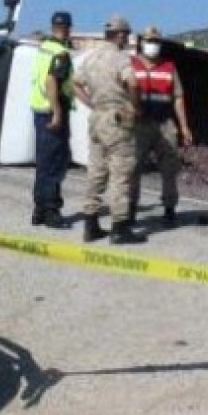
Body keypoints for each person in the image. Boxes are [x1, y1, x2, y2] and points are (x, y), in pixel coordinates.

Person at [74, 15, 145, 245]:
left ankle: (91, 223)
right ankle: (119, 226)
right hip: (117, 117)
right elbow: (133, 84)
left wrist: (92, 103)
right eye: (126, 34)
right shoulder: (121, 59)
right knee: (121, 172)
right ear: (121, 34)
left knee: (96, 171)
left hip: (97, 118)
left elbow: (74, 83)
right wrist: (134, 107)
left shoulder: (91, 58)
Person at [128, 26, 193, 227]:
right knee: (132, 168)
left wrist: (184, 126)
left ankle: (169, 209)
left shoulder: (169, 67)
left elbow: (178, 98)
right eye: (149, 41)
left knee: (169, 168)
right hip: (139, 125)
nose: (152, 45)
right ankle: (129, 209)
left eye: (156, 41)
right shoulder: (130, 65)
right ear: (141, 42)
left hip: (164, 123)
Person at [30, 11, 76, 228]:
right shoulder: (61, 53)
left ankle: (39, 209)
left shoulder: (43, 48)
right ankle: (51, 211)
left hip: (39, 110)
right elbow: (51, 81)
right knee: (55, 163)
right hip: (52, 112)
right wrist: (58, 112)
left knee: (43, 162)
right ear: (67, 28)